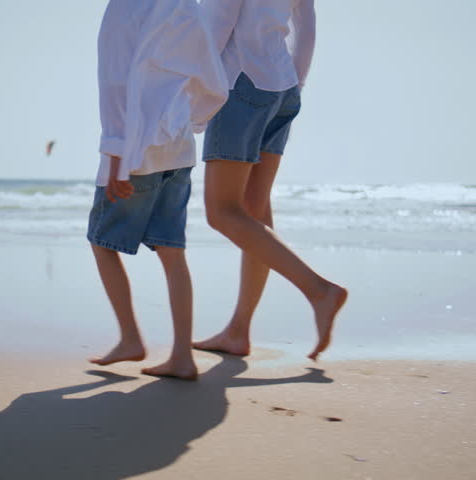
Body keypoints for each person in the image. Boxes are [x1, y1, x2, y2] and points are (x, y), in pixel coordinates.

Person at [194, 0, 347, 361]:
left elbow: (218, 23)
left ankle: (319, 290)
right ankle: (238, 331)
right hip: (283, 86)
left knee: (222, 212)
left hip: (239, 84)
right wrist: (296, 82)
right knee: (254, 209)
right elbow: (306, 23)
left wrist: (197, 97)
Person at [87, 0, 228, 379]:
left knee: (102, 241)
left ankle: (130, 339)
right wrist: (188, 121)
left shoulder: (125, 7)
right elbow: (214, 82)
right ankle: (182, 356)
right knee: (172, 250)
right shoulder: (188, 6)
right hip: (179, 146)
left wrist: (117, 156)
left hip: (136, 148)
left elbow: (115, 83)